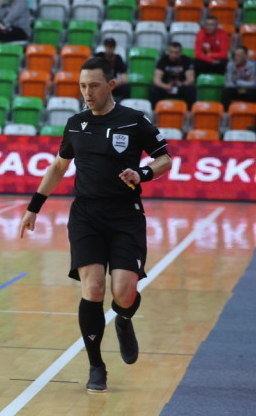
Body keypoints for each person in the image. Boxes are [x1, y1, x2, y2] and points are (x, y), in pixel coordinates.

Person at [19, 57, 172, 393]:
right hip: (86, 215)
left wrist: (142, 173)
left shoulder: (134, 122)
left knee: (124, 292)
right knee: (93, 288)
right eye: (82, 85)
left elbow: (164, 159)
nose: (87, 92)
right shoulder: (75, 124)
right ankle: (96, 365)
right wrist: (34, 207)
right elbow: (59, 168)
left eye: (94, 85)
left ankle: (125, 317)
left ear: (111, 85)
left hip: (125, 215)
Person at [149, 41, 196, 109]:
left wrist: (182, 84)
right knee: (153, 90)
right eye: (171, 52)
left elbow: (191, 79)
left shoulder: (186, 60)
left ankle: (189, 113)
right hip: (166, 87)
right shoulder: (163, 60)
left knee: (192, 90)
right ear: (168, 51)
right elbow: (156, 80)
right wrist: (165, 86)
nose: (173, 55)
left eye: (176, 53)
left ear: (180, 53)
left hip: (180, 87)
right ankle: (154, 113)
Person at [221, 45, 256, 110]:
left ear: (245, 56)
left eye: (238, 55)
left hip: (248, 90)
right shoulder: (230, 64)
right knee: (226, 92)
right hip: (236, 90)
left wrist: (237, 82)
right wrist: (244, 83)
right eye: (235, 55)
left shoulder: (253, 65)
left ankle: (250, 112)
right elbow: (228, 83)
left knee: (252, 93)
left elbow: (253, 83)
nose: (236, 58)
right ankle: (226, 114)